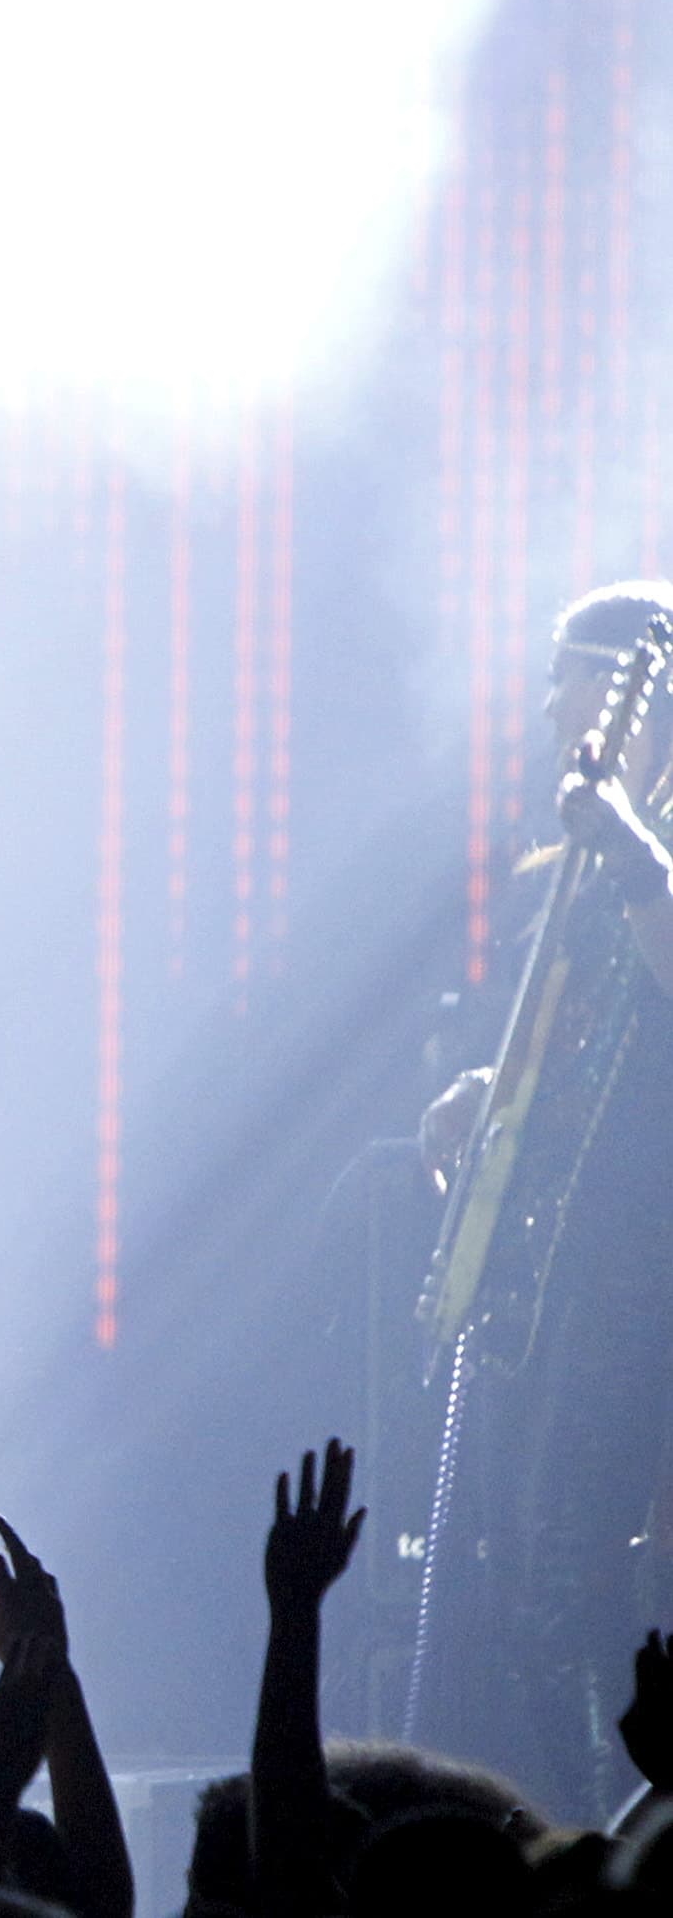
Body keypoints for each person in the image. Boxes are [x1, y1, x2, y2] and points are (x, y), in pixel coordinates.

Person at [410, 577, 673, 1817]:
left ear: (635, 688)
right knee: (519, 1581)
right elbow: (584, 1048)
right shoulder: (581, 850)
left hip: (638, 1261)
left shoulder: (640, 839)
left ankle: (619, 1840)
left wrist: (628, 847)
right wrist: (489, 1092)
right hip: (558, 1260)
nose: (548, 706)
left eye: (568, 676)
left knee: (573, 1580)